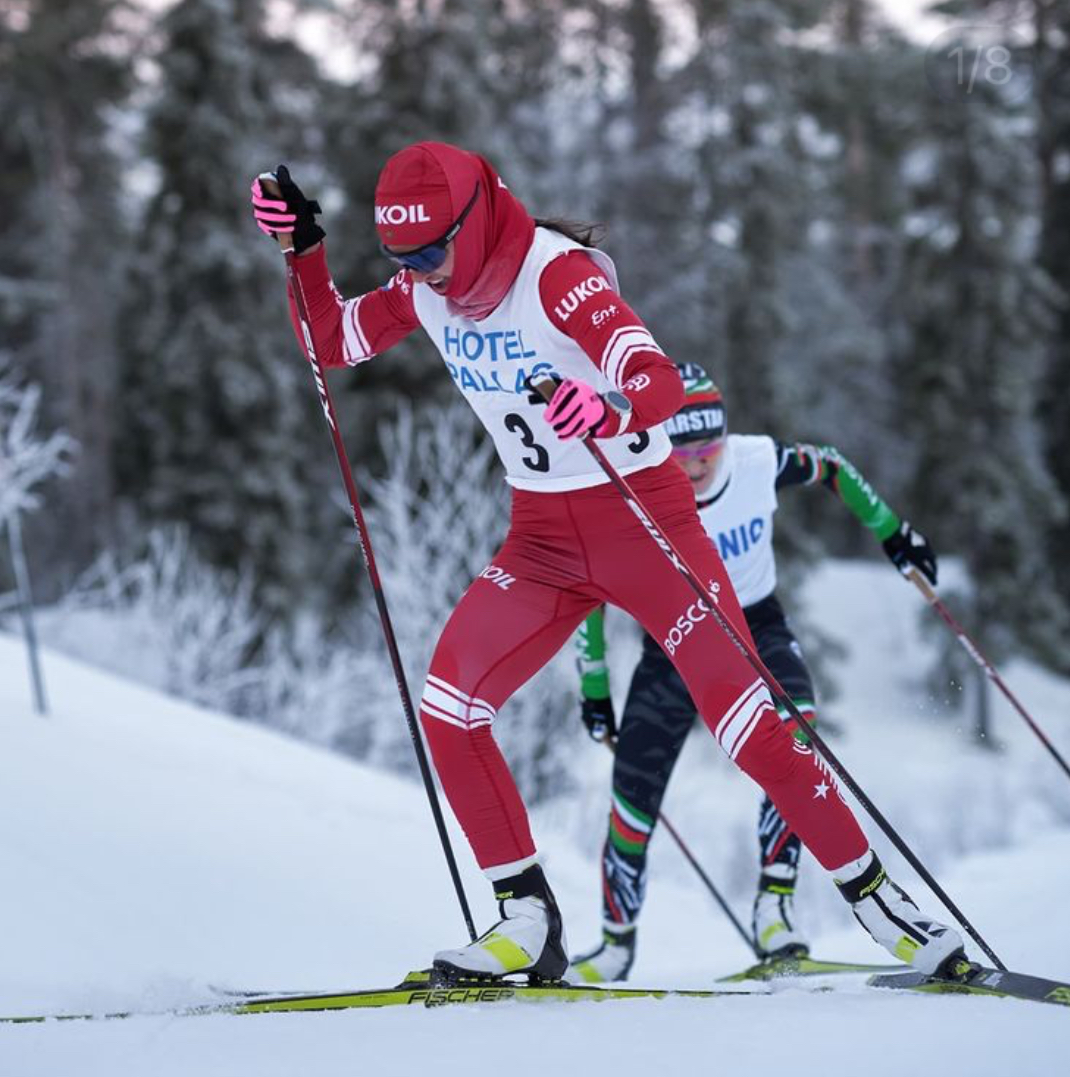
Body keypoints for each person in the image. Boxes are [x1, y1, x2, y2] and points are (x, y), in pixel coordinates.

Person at [249, 141, 962, 983]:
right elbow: (329, 342)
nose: (424, 274)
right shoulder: (424, 289)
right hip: (542, 540)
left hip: (643, 523)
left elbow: (654, 379)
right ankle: (526, 918)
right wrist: (304, 252)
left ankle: (879, 901)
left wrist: (609, 403)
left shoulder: (557, 276)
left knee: (748, 726)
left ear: (474, 226)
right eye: (405, 258)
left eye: (434, 252)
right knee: (448, 706)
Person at [570, 366, 940, 982]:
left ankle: (776, 903)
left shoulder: (756, 460)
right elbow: (591, 593)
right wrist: (595, 689)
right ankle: (614, 943)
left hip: (757, 628)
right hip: (674, 641)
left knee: (796, 741)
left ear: (724, 437)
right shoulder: (636, 480)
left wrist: (894, 534)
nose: (695, 467)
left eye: (707, 449)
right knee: (633, 793)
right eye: (681, 451)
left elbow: (833, 467)